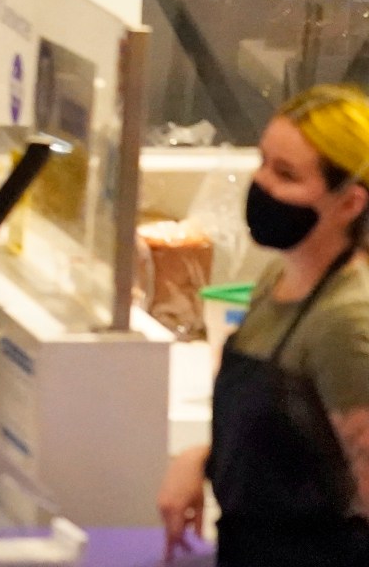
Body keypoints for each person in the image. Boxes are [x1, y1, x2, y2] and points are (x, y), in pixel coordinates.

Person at [158, 85, 369, 565]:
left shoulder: (345, 322)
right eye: (263, 162)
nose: (263, 184)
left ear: (350, 204)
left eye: (286, 174)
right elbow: (295, 443)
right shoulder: (279, 276)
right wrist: (201, 459)